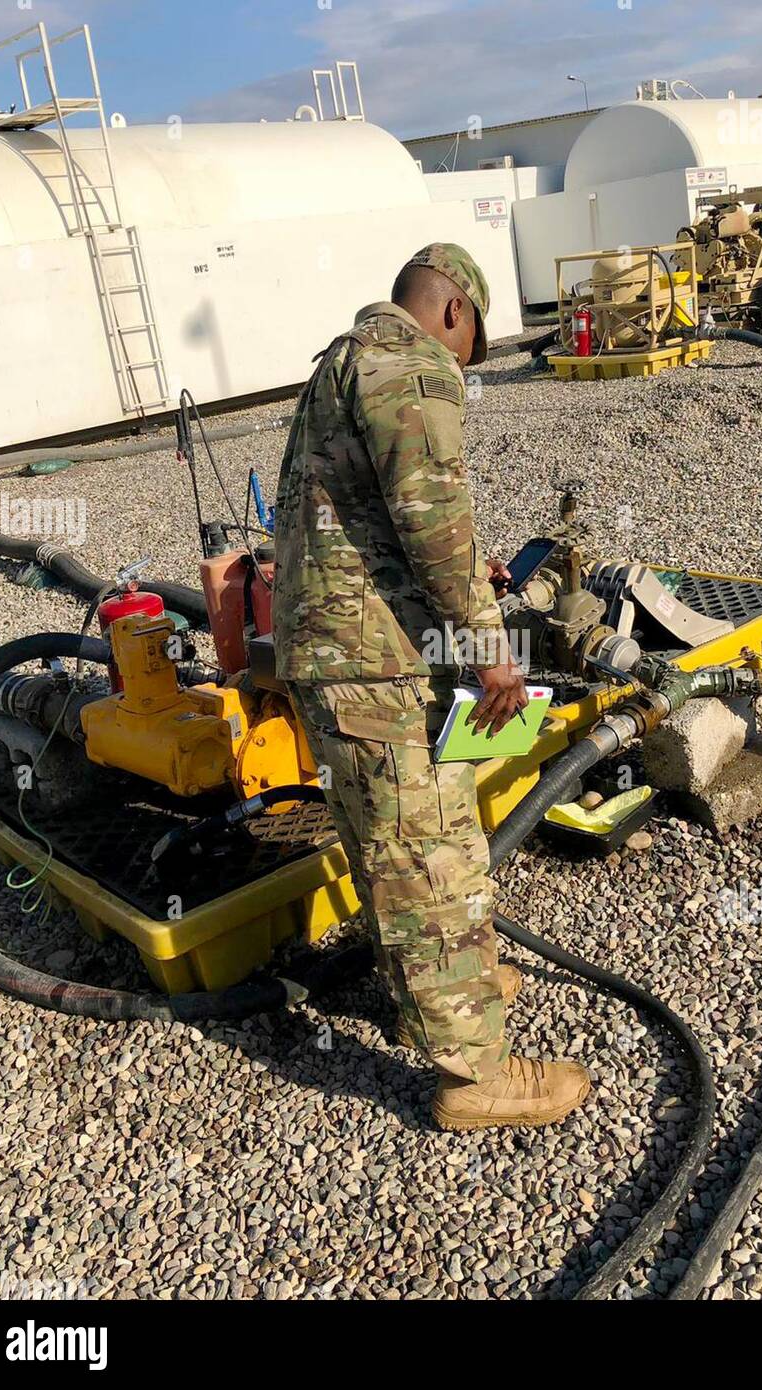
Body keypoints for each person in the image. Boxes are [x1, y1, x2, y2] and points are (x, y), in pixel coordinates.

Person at [272, 243, 591, 1131]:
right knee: (431, 854)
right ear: (455, 312)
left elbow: (367, 514)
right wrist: (492, 653)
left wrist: (450, 581)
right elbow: (432, 511)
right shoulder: (412, 365)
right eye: (467, 348)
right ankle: (473, 1075)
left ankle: (440, 989)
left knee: (385, 844)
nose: (459, 366)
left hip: (325, 654)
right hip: (377, 665)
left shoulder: (341, 361)